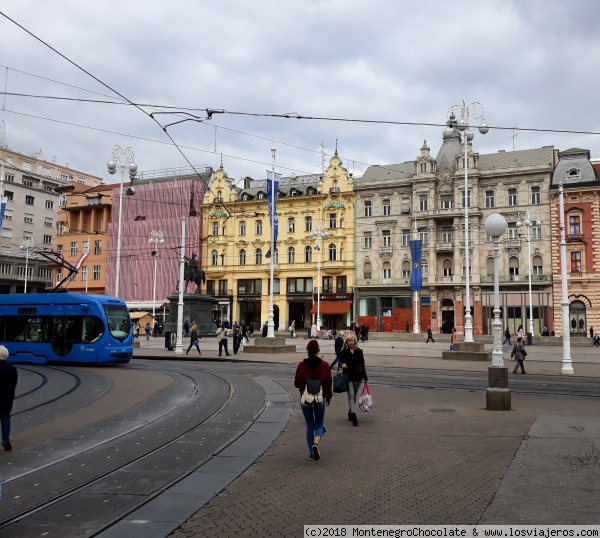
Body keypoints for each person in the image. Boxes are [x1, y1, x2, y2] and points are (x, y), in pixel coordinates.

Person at [294, 339, 332, 461]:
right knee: (319, 424)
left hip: (305, 399)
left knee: (310, 426)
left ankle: (311, 452)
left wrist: (303, 386)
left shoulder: (301, 365)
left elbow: (296, 383)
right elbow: (328, 383)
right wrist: (328, 396)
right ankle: (316, 443)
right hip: (320, 398)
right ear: (318, 350)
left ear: (307, 351)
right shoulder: (325, 365)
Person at [338, 333, 368, 427]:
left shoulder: (359, 351)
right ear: (346, 342)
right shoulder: (343, 351)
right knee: (351, 394)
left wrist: (365, 377)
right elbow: (340, 361)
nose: (350, 342)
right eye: (348, 340)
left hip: (358, 376)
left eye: (352, 340)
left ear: (355, 341)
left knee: (354, 394)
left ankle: (350, 411)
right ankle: (354, 416)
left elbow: (362, 364)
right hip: (348, 376)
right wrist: (342, 364)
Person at [0, 345, 18, 451]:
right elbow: (14, 383)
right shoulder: (12, 368)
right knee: (5, 417)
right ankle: (6, 440)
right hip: (7, 397)